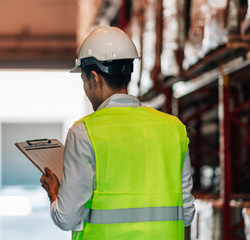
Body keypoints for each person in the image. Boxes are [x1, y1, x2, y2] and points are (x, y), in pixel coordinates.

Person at [40, 25, 195, 240]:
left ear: (94, 78)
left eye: (83, 81)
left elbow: (66, 218)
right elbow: (186, 214)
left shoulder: (84, 132)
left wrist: (55, 193)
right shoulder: (174, 129)